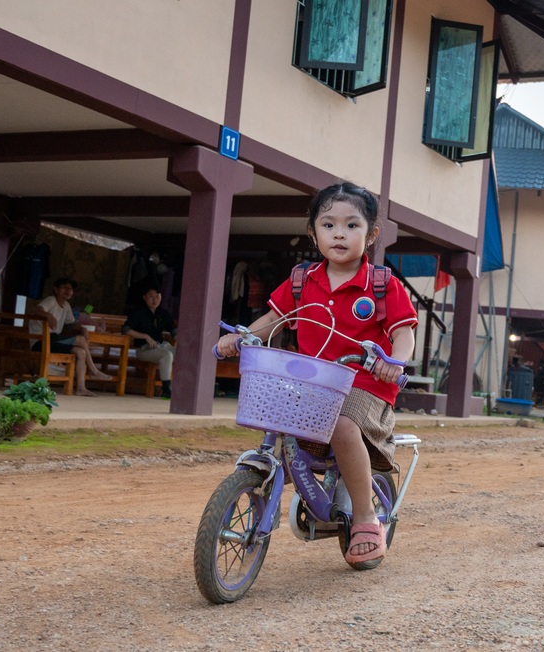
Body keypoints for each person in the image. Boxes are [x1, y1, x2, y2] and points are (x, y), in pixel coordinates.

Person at [216, 182, 417, 567]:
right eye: (328, 225)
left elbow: (402, 333)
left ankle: (364, 517)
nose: (339, 233)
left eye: (352, 225)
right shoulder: (301, 280)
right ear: (314, 232)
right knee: (276, 415)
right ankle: (271, 478)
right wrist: (241, 336)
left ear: (371, 234)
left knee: (341, 425)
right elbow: (275, 319)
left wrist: (395, 362)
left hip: (365, 385)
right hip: (311, 382)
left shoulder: (382, 285)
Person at [29, 277, 111, 397]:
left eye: (71, 289)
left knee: (81, 352)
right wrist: (48, 315)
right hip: (40, 342)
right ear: (56, 289)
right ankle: (94, 370)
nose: (68, 290)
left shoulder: (66, 305)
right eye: (64, 287)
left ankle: (81, 388)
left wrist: (82, 329)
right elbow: (37, 309)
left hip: (53, 341)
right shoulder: (51, 300)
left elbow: (72, 323)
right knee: (81, 340)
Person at [122, 287, 175, 399]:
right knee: (167, 355)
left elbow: (173, 330)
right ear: (144, 297)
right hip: (144, 349)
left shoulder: (163, 313)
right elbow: (126, 329)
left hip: (161, 346)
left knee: (182, 354)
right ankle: (166, 390)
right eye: (151, 297)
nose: (154, 300)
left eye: (157, 297)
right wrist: (145, 336)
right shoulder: (138, 313)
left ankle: (179, 388)